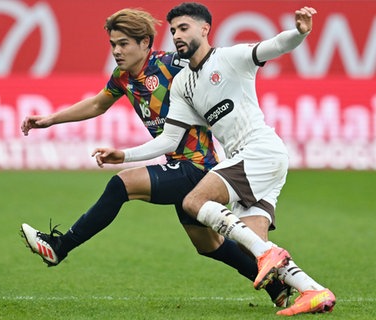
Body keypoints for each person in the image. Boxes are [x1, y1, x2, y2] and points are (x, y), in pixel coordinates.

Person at [19, 8, 291, 307]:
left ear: (146, 43)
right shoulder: (123, 77)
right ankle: (278, 286)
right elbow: (98, 104)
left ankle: (60, 246)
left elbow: (212, 70)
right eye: (113, 44)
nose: (117, 51)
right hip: (177, 163)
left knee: (121, 185)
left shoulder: (171, 64)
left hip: (198, 166)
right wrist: (50, 120)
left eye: (124, 44)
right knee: (208, 245)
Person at [92, 3, 336, 316]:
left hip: (259, 150)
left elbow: (275, 46)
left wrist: (299, 33)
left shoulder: (230, 57)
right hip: (252, 161)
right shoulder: (181, 84)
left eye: (184, 28)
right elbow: (169, 139)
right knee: (251, 247)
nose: (177, 35)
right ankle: (313, 290)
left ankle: (269, 255)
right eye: (174, 30)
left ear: (204, 29)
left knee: (193, 202)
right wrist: (124, 155)